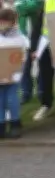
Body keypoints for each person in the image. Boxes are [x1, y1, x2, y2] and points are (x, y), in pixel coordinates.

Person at [13, 0, 44, 104]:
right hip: (26, 35)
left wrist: (37, 2)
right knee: (25, 65)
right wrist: (39, 1)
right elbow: (22, 9)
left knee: (43, 64)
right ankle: (26, 92)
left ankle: (42, 91)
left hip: (43, 35)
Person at [0, 8, 29, 139]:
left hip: (13, 73)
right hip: (5, 73)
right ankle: (3, 125)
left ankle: (14, 123)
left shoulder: (19, 37)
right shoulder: (19, 36)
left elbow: (24, 50)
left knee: (11, 98)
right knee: (2, 98)